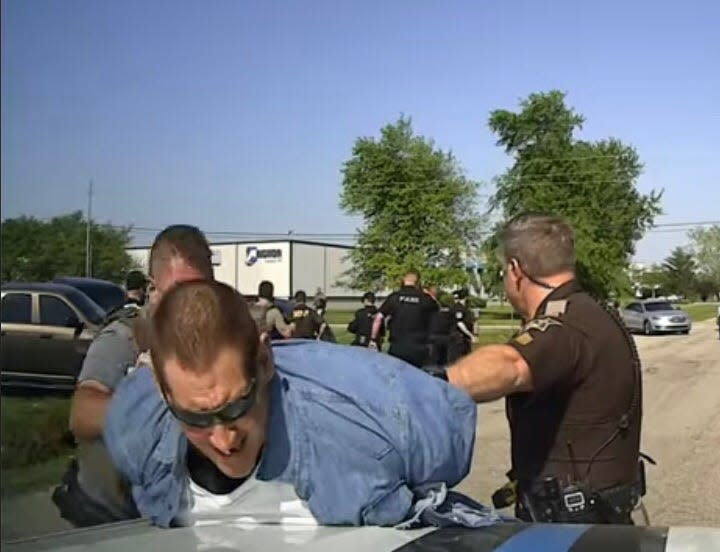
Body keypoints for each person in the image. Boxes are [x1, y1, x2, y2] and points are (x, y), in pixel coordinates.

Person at [103, 280, 493, 528]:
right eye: (194, 417)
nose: (223, 439)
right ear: (159, 386)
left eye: (238, 406)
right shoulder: (134, 430)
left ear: (265, 361)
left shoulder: (379, 416)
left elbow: (445, 430)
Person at [436, 213, 644, 525]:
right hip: (601, 516)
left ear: (516, 270)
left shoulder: (564, 325)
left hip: (571, 529)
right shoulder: (590, 311)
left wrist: (427, 385)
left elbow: (513, 364)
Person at [57, 225, 214, 527]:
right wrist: (160, 400)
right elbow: (82, 414)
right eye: (178, 293)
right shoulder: (128, 336)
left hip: (175, 514)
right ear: (153, 289)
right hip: (108, 515)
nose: (189, 306)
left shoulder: (218, 337)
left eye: (201, 292)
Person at [370, 272, 437, 368]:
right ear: (418, 283)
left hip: (397, 346)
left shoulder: (394, 297)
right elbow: (437, 311)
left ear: (403, 281)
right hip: (419, 346)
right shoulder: (425, 299)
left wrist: (373, 339)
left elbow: (378, 318)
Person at [447, 288, 477, 363]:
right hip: (458, 338)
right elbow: (460, 323)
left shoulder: (465, 308)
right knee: (457, 360)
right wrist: (471, 335)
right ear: (465, 298)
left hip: (464, 339)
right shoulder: (458, 308)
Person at [426, 287, 453, 366]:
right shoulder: (434, 304)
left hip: (433, 333)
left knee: (434, 357)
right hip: (441, 334)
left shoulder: (431, 303)